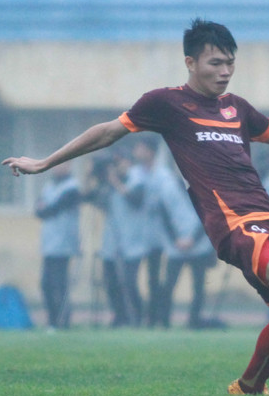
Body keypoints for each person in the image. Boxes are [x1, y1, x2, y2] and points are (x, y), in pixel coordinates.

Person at [3, 18, 269, 394]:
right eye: (216, 62)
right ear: (190, 62)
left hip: (267, 217)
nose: (225, 71)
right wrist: (44, 162)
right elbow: (107, 132)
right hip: (232, 224)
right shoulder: (165, 103)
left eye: (231, 62)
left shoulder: (237, 108)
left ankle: (248, 387)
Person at [88, 149, 148, 327]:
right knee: (111, 283)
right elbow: (92, 199)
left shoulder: (136, 180)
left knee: (129, 282)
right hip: (111, 242)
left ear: (128, 162)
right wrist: (92, 177)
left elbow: (135, 200)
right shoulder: (108, 186)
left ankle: (137, 317)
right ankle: (119, 316)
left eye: (119, 163)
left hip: (133, 242)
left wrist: (115, 182)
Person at [156, 166, 217, 329]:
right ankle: (164, 321)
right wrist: (176, 239)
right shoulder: (167, 187)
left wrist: (193, 239)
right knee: (169, 284)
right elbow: (164, 215)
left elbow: (209, 214)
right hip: (175, 246)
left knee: (198, 286)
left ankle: (194, 321)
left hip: (199, 246)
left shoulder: (203, 185)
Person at [35, 163, 82, 330]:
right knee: (46, 284)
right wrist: (46, 208)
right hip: (49, 243)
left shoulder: (72, 188)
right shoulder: (49, 186)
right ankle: (52, 320)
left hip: (64, 244)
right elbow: (39, 211)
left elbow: (52, 209)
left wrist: (46, 208)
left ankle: (63, 321)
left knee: (59, 283)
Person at [132, 136, 172, 327]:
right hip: (136, 234)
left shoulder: (163, 175)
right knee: (133, 277)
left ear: (150, 151)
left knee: (154, 278)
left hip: (158, 236)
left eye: (140, 148)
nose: (137, 152)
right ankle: (142, 315)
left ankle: (157, 317)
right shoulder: (134, 173)